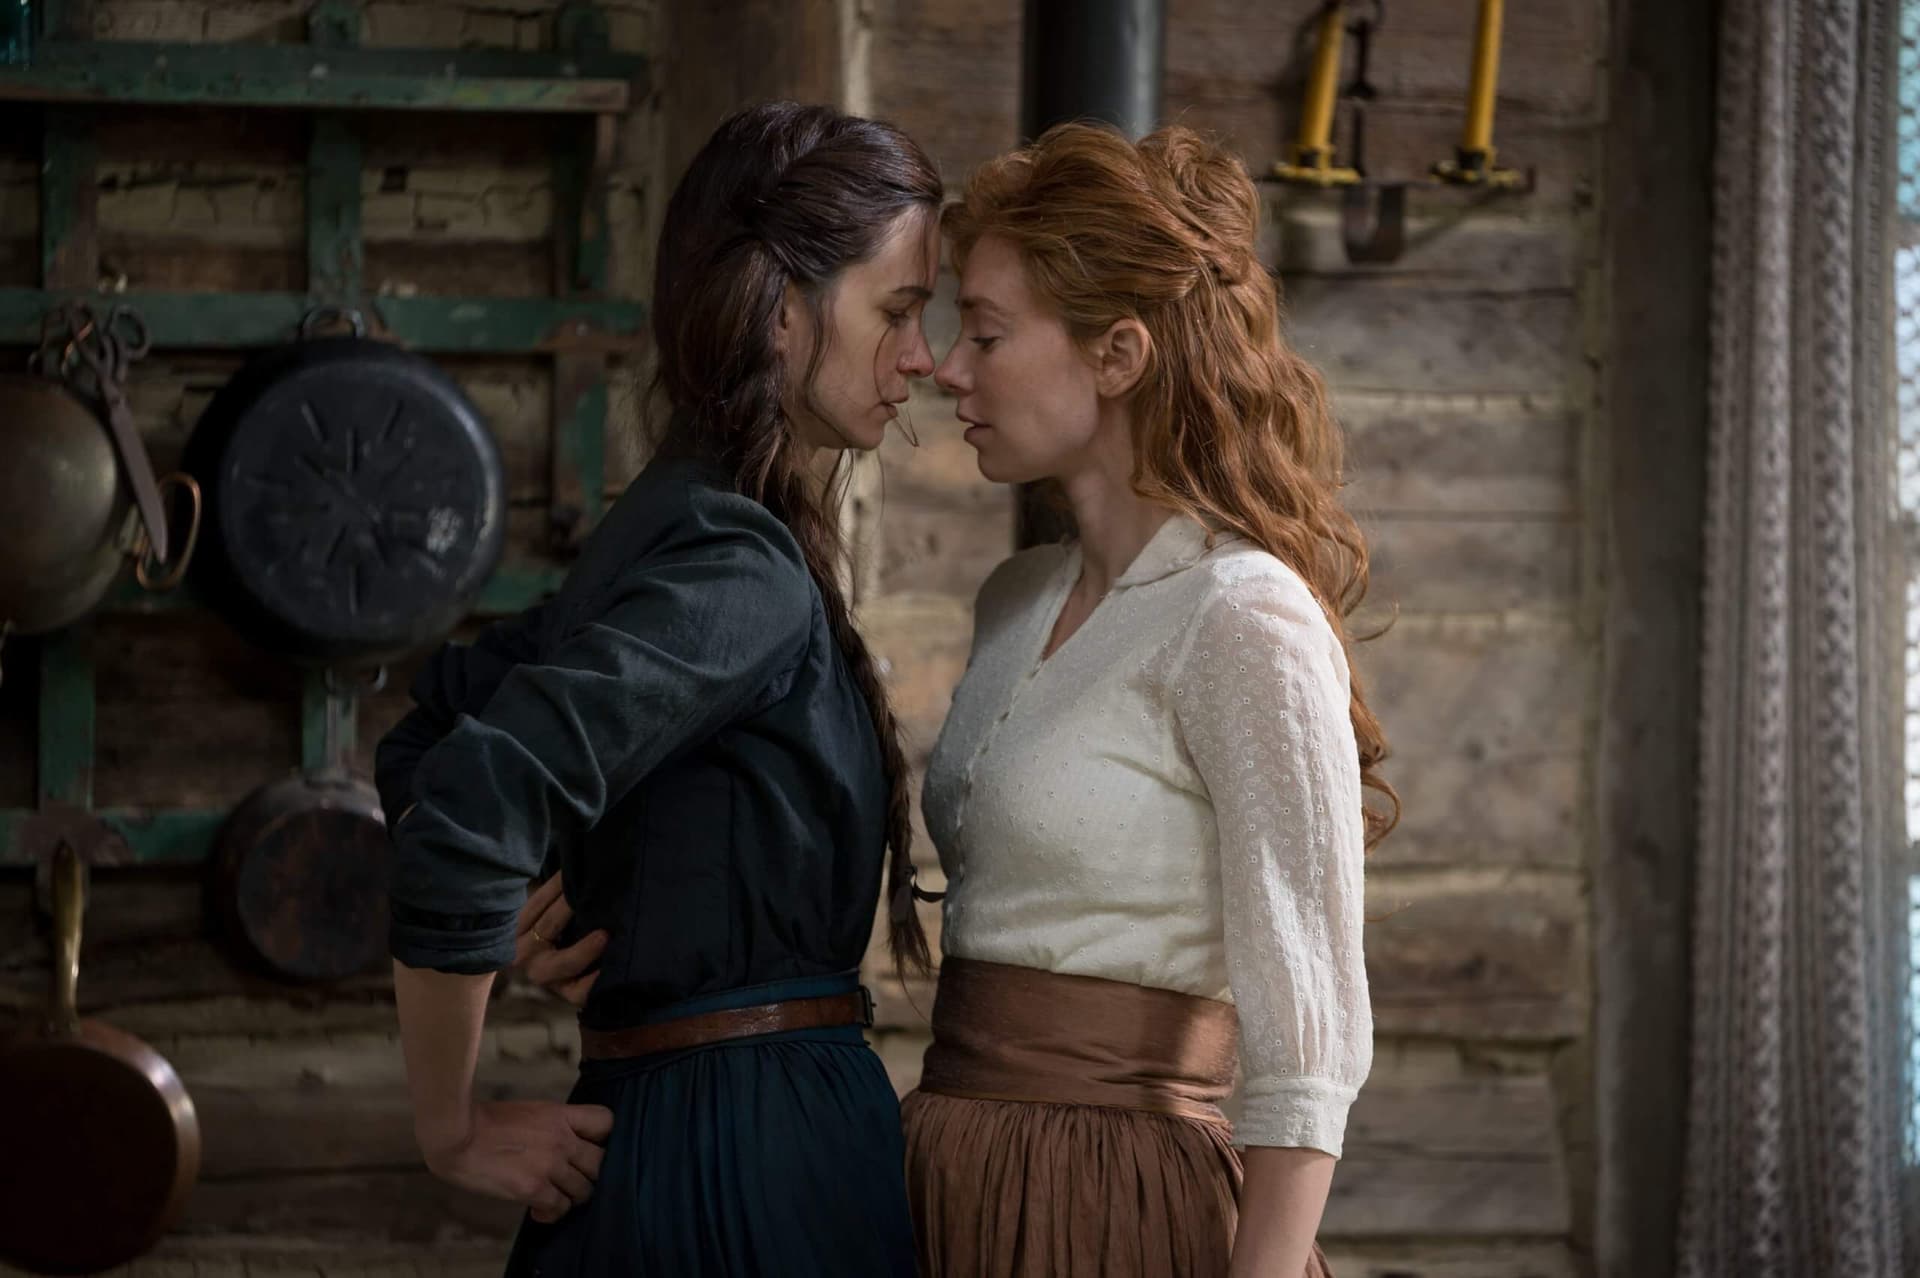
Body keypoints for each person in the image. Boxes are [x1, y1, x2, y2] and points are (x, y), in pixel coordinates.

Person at [372, 100, 941, 1277]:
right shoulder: (736, 567)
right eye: (899, 310)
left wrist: (544, 892)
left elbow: (431, 736)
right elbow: (473, 794)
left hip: (704, 1134)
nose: (923, 359)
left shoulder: (678, 526)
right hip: (740, 1165)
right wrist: (452, 1127)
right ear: (783, 309)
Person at [901, 122, 1397, 1278]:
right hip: (949, 1166)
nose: (947, 369)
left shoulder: (1242, 616)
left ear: (1118, 354)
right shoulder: (1015, 599)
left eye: (983, 331)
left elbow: (1308, 1030)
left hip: (1117, 1199)